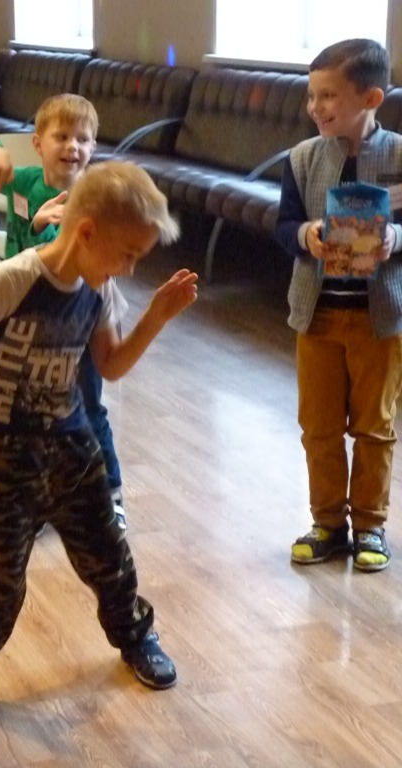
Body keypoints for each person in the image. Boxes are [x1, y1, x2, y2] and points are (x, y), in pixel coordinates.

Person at [0, 161, 198, 731]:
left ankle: (135, 637)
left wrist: (157, 317)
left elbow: (110, 365)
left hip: (71, 442)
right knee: (1, 578)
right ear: (86, 232)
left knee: (110, 556)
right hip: (1, 450)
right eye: (127, 255)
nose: (130, 268)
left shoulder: (99, 287)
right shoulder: (14, 279)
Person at [275, 38, 402, 572]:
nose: (316, 107)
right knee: (319, 426)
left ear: (370, 98)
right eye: (312, 96)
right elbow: (283, 224)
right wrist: (305, 235)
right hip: (318, 315)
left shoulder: (398, 155)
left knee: (374, 425)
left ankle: (370, 525)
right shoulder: (303, 158)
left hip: (380, 319)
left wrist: (395, 236)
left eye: (328, 96)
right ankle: (327, 521)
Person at [0, 93, 128, 528]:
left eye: (83, 138)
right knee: (31, 415)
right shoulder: (24, 182)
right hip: (27, 320)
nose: (72, 146)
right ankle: (41, 498)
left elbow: (81, 259)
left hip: (80, 320)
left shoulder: (99, 196)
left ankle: (109, 495)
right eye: (61, 136)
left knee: (88, 406)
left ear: (93, 147)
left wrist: (43, 229)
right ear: (38, 143)